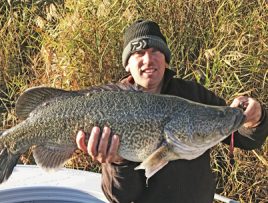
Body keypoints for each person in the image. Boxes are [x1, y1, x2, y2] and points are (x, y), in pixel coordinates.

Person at [75, 20, 268, 203]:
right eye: (139, 53)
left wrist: (255, 118)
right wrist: (117, 163)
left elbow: (247, 139)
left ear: (166, 59)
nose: (148, 59)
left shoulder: (193, 95)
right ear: (127, 64)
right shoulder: (112, 106)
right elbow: (120, 198)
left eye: (155, 51)